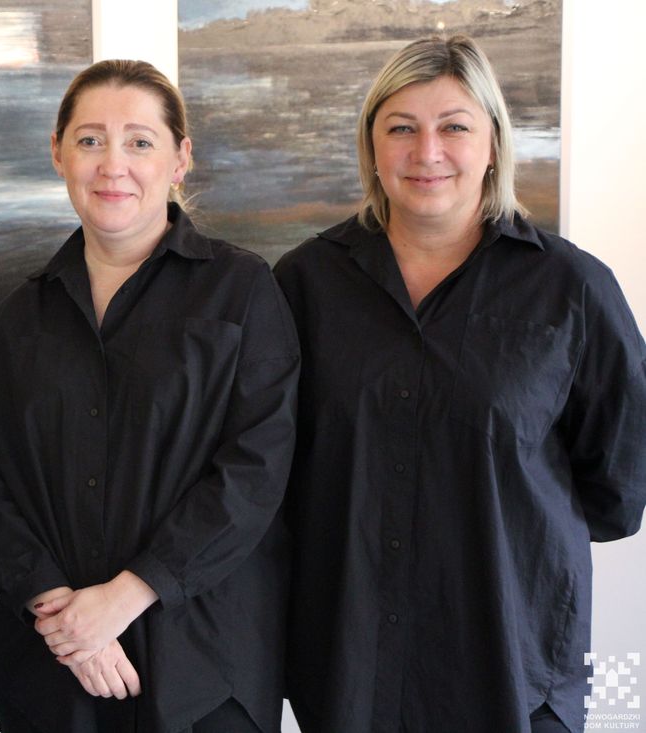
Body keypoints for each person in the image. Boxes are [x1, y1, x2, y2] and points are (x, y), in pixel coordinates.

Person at [273, 35, 646, 733]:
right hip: (349, 668)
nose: (428, 152)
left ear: (494, 143)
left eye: (454, 127)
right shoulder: (302, 284)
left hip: (513, 669)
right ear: (371, 146)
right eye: (401, 129)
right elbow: (274, 474)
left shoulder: (573, 289)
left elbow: (618, 493)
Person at [0, 59, 300, 733]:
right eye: (90, 140)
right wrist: (62, 615)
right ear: (58, 153)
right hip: (53, 671)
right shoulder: (22, 314)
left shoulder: (242, 290)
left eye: (140, 141)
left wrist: (125, 597)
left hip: (203, 670)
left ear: (180, 159)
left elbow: (257, 471)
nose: (113, 164)